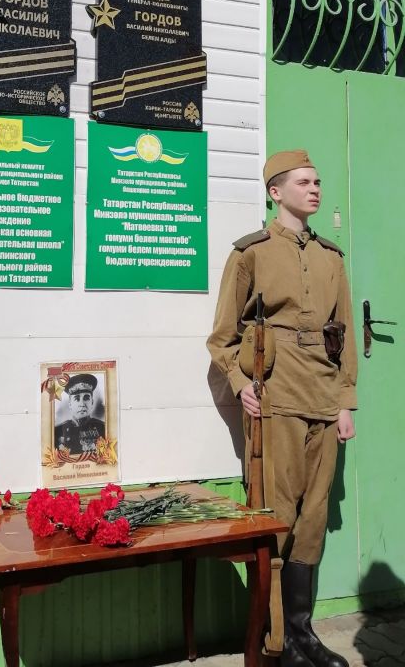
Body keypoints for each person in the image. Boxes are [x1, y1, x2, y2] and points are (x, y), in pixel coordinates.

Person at [207, 150, 357, 667]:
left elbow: (346, 339)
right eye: (303, 182)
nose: (315, 189)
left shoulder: (332, 258)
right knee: (279, 516)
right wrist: (240, 380)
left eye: (318, 181)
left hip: (322, 394)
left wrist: (345, 402)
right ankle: (276, 640)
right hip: (278, 397)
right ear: (276, 192)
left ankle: (303, 634)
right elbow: (222, 338)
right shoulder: (250, 254)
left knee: (313, 517)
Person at [54, 373, 106, 454]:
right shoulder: (57, 431)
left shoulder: (103, 429)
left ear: (92, 402)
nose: (82, 404)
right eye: (77, 398)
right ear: (70, 404)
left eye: (86, 398)